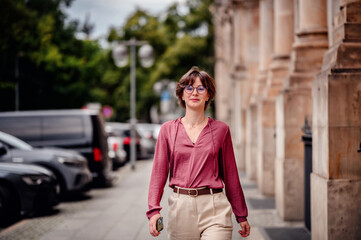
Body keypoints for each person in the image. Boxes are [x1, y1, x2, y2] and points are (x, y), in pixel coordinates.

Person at [147, 66, 251, 239]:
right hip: (180, 207)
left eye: (200, 88)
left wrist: (241, 215)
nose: (194, 92)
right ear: (181, 94)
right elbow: (158, 172)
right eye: (189, 88)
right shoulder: (167, 130)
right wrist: (153, 210)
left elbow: (231, 175)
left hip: (214, 206)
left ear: (208, 94)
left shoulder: (221, 130)